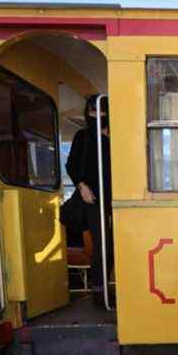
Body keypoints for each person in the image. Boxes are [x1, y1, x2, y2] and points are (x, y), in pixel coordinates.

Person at [65, 94, 113, 306]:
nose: (97, 115)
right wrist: (82, 186)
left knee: (114, 244)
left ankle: (106, 287)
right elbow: (72, 165)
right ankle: (99, 292)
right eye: (93, 111)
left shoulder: (115, 136)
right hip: (92, 198)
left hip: (116, 195)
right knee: (102, 244)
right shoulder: (82, 136)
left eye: (101, 111)